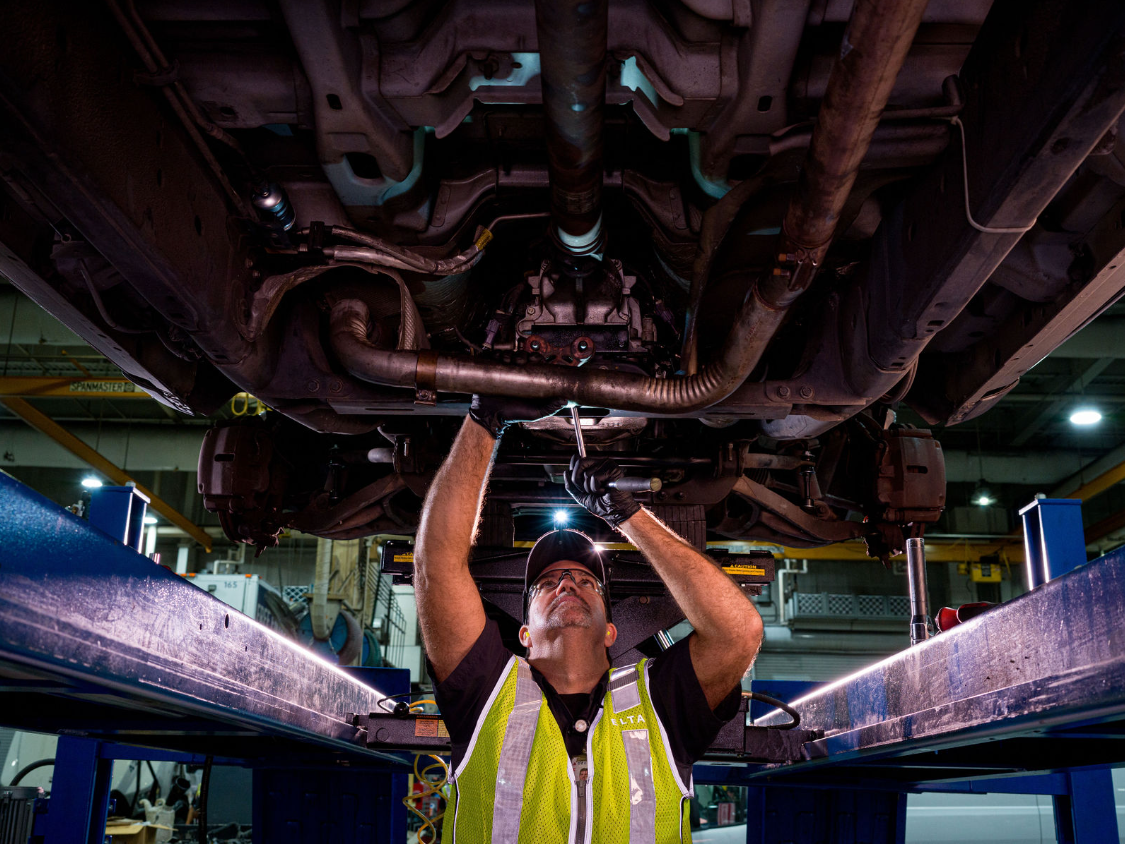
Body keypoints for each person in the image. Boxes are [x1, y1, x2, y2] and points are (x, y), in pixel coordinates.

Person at [414, 396, 764, 843]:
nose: (567, 584)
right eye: (548, 583)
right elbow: (436, 565)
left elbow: (739, 633)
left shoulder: (659, 700)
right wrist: (486, 419)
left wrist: (629, 516)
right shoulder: (486, 690)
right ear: (524, 633)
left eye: (585, 580)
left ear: (611, 631)